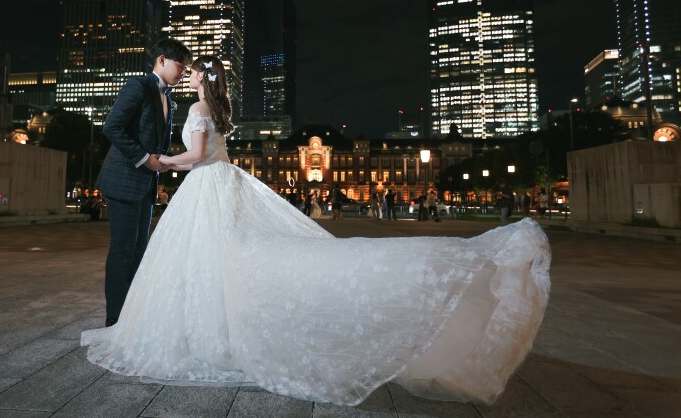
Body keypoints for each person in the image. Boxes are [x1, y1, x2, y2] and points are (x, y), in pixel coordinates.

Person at [81, 55, 551, 407]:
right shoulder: (216, 107)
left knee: (207, 258)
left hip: (204, 185)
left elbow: (199, 154)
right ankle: (211, 321)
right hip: (217, 187)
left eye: (195, 70)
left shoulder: (198, 108)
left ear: (204, 78)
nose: (189, 73)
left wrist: (163, 162)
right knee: (224, 256)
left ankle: (202, 327)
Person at [94, 38, 191, 328]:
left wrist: (162, 162)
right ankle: (115, 317)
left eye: (186, 68)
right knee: (123, 249)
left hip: (147, 184)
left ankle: (131, 313)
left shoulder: (168, 99)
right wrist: (144, 157)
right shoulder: (138, 86)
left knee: (139, 250)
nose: (184, 72)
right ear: (162, 60)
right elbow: (111, 126)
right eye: (180, 66)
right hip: (125, 179)